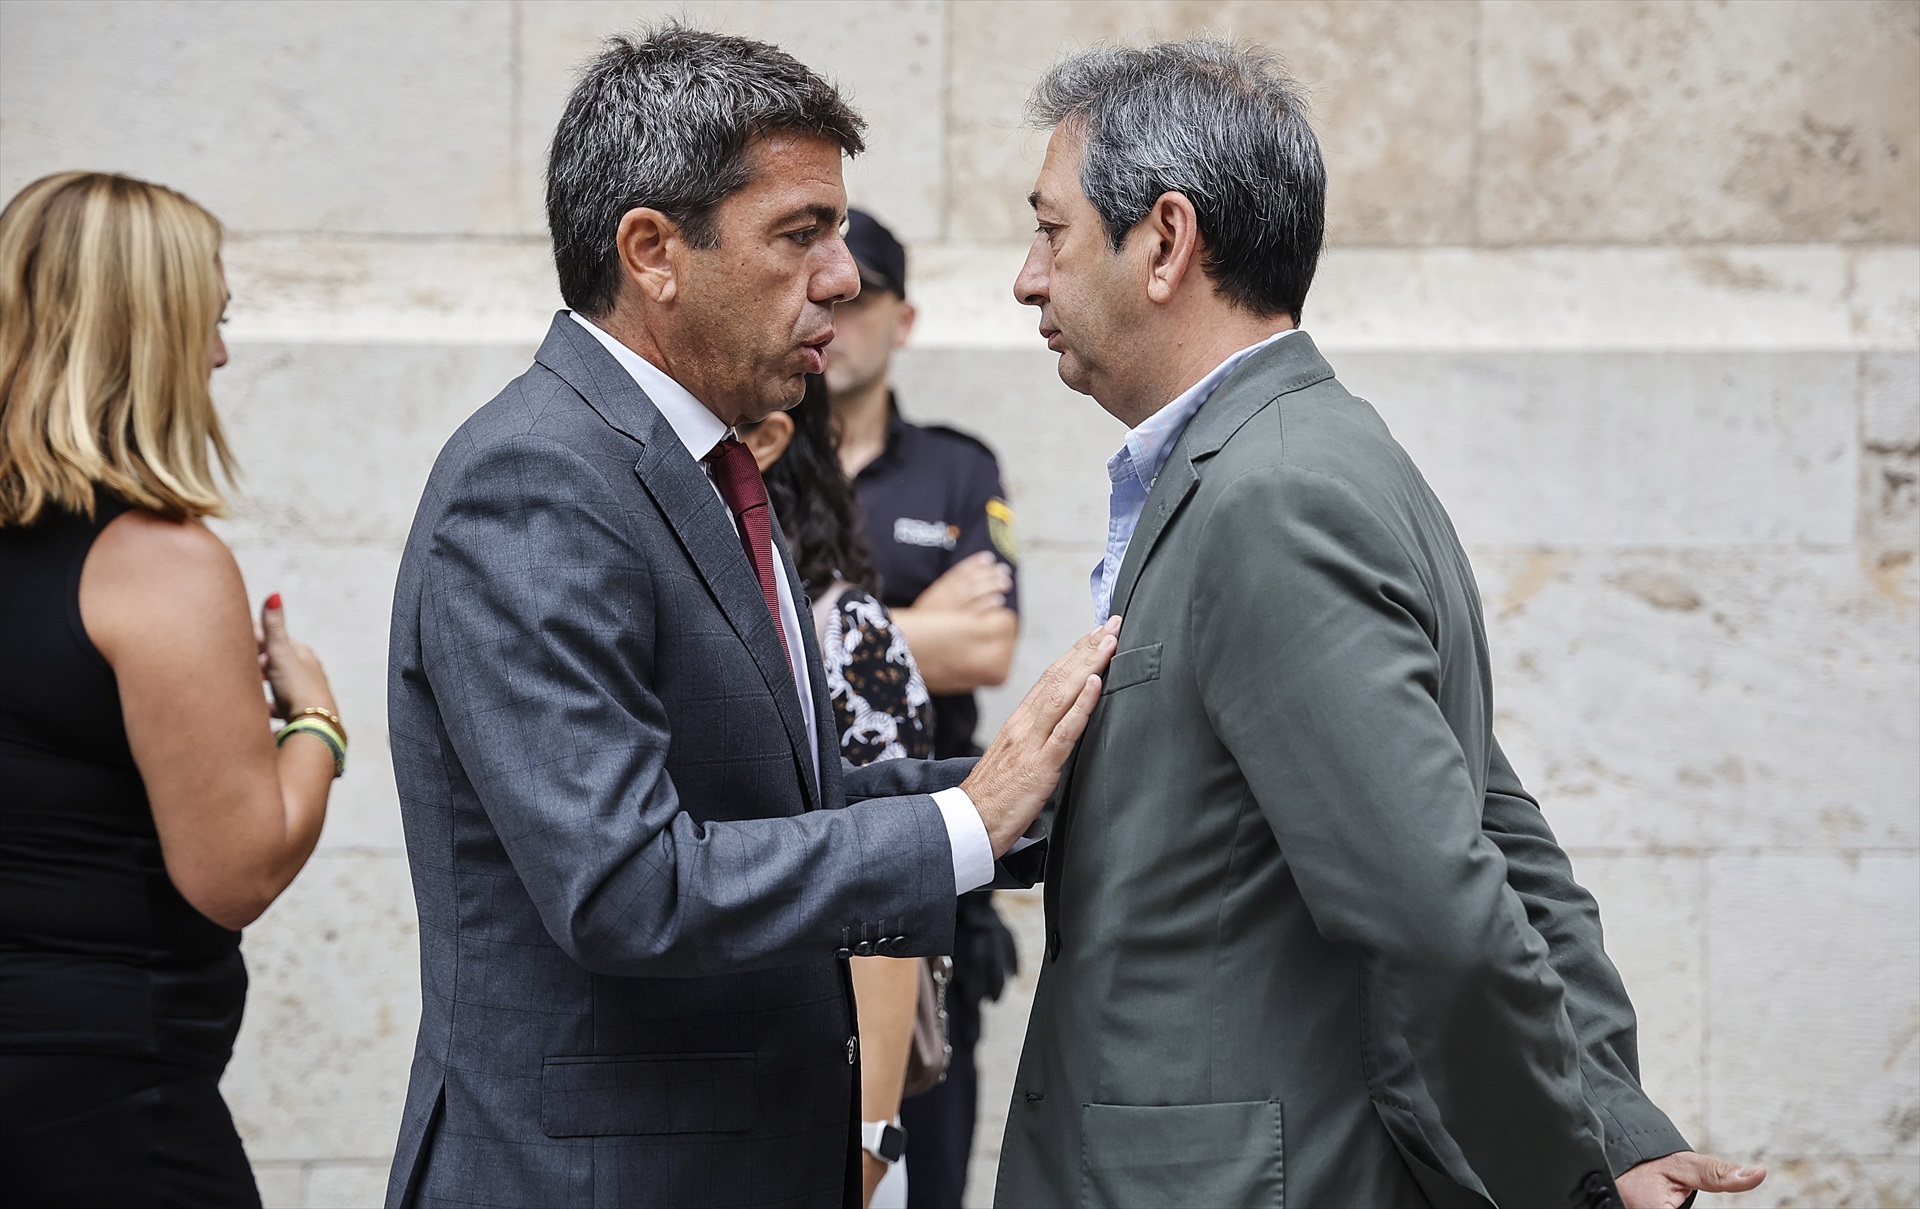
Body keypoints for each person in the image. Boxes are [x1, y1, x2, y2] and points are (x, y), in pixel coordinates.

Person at [991, 41, 1768, 1209]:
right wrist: (1609, 1124)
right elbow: (1498, 839)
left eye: (1052, 231)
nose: (1027, 279)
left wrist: (1570, 1175)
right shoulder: (1291, 462)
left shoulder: (1274, 497)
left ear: (1165, 241)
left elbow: (1443, 909)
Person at [382, 27, 1112, 1209]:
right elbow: (629, 886)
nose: (842, 276)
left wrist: (1031, 799)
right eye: (800, 232)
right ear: (653, 253)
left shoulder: (702, 466)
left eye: (838, 230)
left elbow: (770, 809)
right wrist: (963, 826)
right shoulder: (536, 481)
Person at [0, 171, 343, 1206]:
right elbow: (236, 871)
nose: (221, 355)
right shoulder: (156, 564)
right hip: (103, 1104)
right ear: (144, 335)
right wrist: (315, 721)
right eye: (212, 320)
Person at [828, 208, 1020, 1207]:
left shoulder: (956, 468)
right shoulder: (755, 462)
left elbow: (986, 647)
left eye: (862, 297)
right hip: (799, 865)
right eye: (825, 292)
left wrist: (832, 633)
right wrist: (918, 626)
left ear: (902, 319)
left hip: (935, 878)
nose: (837, 316)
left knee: (927, 1169)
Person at [738, 373, 933, 1208]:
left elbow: (886, 883)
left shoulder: (841, 629)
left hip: (834, 1128)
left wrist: (870, 1133)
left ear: (767, 441)